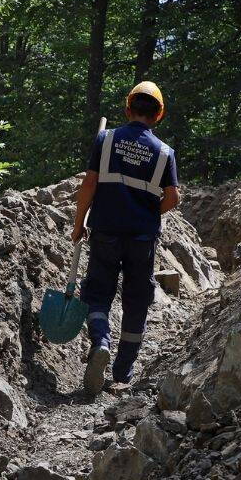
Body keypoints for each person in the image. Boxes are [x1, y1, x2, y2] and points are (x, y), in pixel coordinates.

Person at [71, 81, 180, 395]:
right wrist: (150, 213)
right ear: (158, 115)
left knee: (96, 293)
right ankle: (121, 373)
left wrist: (79, 225)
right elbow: (173, 197)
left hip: (105, 230)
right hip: (142, 238)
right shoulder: (164, 153)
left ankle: (100, 341)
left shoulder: (105, 140)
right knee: (136, 301)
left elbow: (89, 186)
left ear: (128, 108)